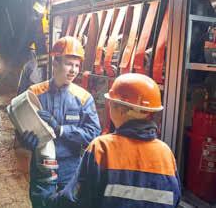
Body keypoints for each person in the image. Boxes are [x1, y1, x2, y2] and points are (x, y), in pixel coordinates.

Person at [34, 73, 181, 208]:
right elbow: (175, 198)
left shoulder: (102, 148)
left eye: (110, 103)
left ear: (120, 109)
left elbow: (74, 200)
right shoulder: (166, 154)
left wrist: (45, 194)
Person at [19, 36, 101, 207]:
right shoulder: (34, 93)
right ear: (55, 63)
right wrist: (25, 140)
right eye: (69, 64)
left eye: (77, 65)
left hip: (71, 171)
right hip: (42, 168)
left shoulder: (84, 98)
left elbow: (93, 135)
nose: (74, 70)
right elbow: (21, 126)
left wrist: (61, 129)